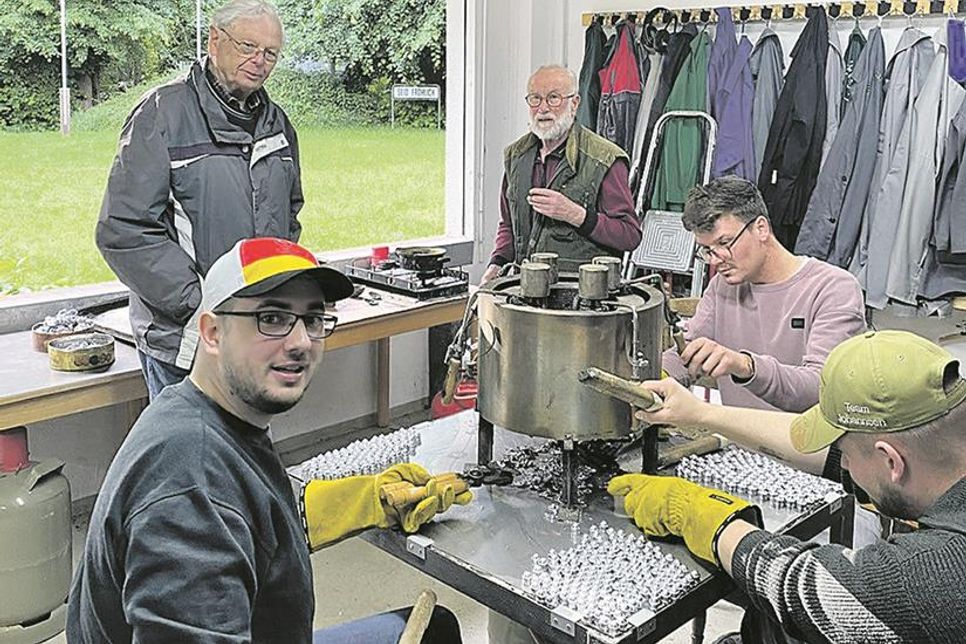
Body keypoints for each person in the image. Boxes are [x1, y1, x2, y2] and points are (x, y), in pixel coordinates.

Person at [67, 237, 470, 643]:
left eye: (313, 319)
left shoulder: (205, 413)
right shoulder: (191, 484)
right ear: (211, 332)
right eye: (272, 319)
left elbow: (252, 518)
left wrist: (368, 501)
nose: (300, 343)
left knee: (436, 629)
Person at [612, 330, 966, 642]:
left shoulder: (933, 574)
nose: (840, 464)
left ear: (892, 462)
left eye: (844, 452)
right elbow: (829, 454)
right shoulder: (947, 447)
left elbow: (804, 586)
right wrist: (700, 414)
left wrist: (696, 514)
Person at [96, 0, 303, 400]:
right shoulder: (162, 114)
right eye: (247, 46)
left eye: (270, 53)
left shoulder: (278, 125)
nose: (259, 61)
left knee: (243, 452)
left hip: (254, 334)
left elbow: (288, 218)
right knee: (189, 453)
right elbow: (124, 230)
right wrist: (201, 306)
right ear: (214, 40)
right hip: (186, 337)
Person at [663, 176, 866, 412]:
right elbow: (686, 355)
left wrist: (746, 366)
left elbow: (819, 388)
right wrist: (649, 381)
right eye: (708, 250)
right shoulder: (722, 286)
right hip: (739, 444)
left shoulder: (832, 288)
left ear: (761, 228)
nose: (716, 260)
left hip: (804, 447)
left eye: (725, 243)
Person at [480, 64, 642, 282]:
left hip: (582, 298)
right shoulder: (516, 156)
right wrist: (496, 264)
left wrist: (575, 215)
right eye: (535, 98)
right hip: (526, 292)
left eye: (553, 98)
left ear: (574, 103)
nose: (543, 108)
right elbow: (509, 224)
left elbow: (630, 236)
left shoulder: (604, 159)